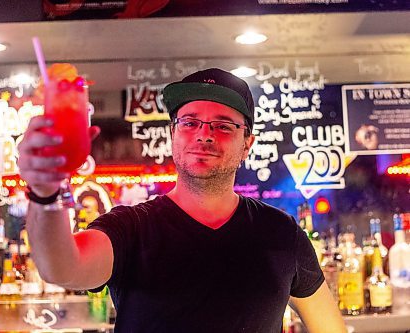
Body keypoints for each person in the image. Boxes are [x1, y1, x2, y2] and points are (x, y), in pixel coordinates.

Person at [18, 68, 347, 333]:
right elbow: (62, 267)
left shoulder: (281, 233)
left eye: (223, 125)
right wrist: (45, 193)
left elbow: (329, 327)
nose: (204, 134)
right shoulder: (131, 228)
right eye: (190, 122)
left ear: (248, 143)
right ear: (173, 133)